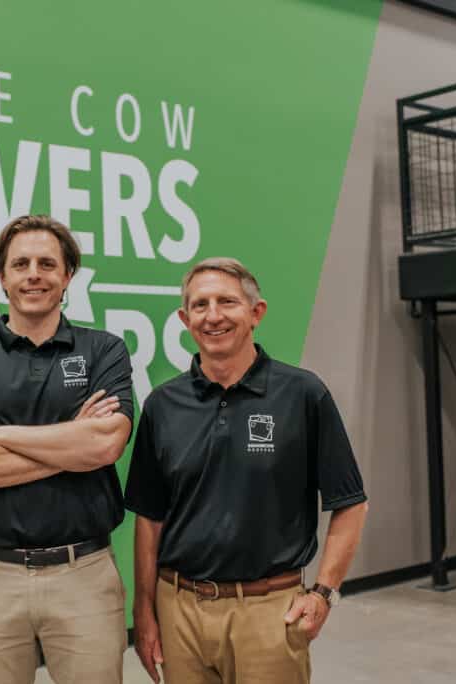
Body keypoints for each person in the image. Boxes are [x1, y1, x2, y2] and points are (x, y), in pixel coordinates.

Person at [126, 257, 368, 684]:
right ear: (185, 319)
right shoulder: (162, 406)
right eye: (200, 305)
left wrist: (324, 593)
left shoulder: (303, 395)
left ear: (256, 313)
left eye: (227, 302)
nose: (213, 315)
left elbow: (350, 503)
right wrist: (144, 612)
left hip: (268, 610)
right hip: (179, 609)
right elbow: (149, 520)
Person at [0, 214, 134, 684]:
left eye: (47, 263)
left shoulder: (104, 350)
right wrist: (69, 444)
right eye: (20, 264)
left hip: (84, 572)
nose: (34, 274)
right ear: (1, 276)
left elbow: (105, 444)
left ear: (67, 276)